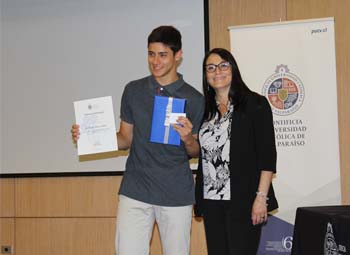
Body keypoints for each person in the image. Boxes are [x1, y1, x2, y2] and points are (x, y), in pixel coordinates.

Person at [71, 26, 204, 255]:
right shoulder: (133, 90)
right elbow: (125, 139)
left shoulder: (194, 98)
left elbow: (195, 151)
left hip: (175, 192)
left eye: (163, 55)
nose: (155, 61)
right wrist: (90, 136)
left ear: (178, 55)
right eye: (151, 54)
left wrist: (187, 139)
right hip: (135, 189)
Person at [193, 48, 278, 255]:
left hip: (244, 199)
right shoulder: (205, 110)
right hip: (212, 201)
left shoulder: (255, 104)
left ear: (233, 69)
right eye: (210, 68)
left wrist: (261, 198)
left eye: (223, 65)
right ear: (206, 75)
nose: (217, 72)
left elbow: (267, 156)